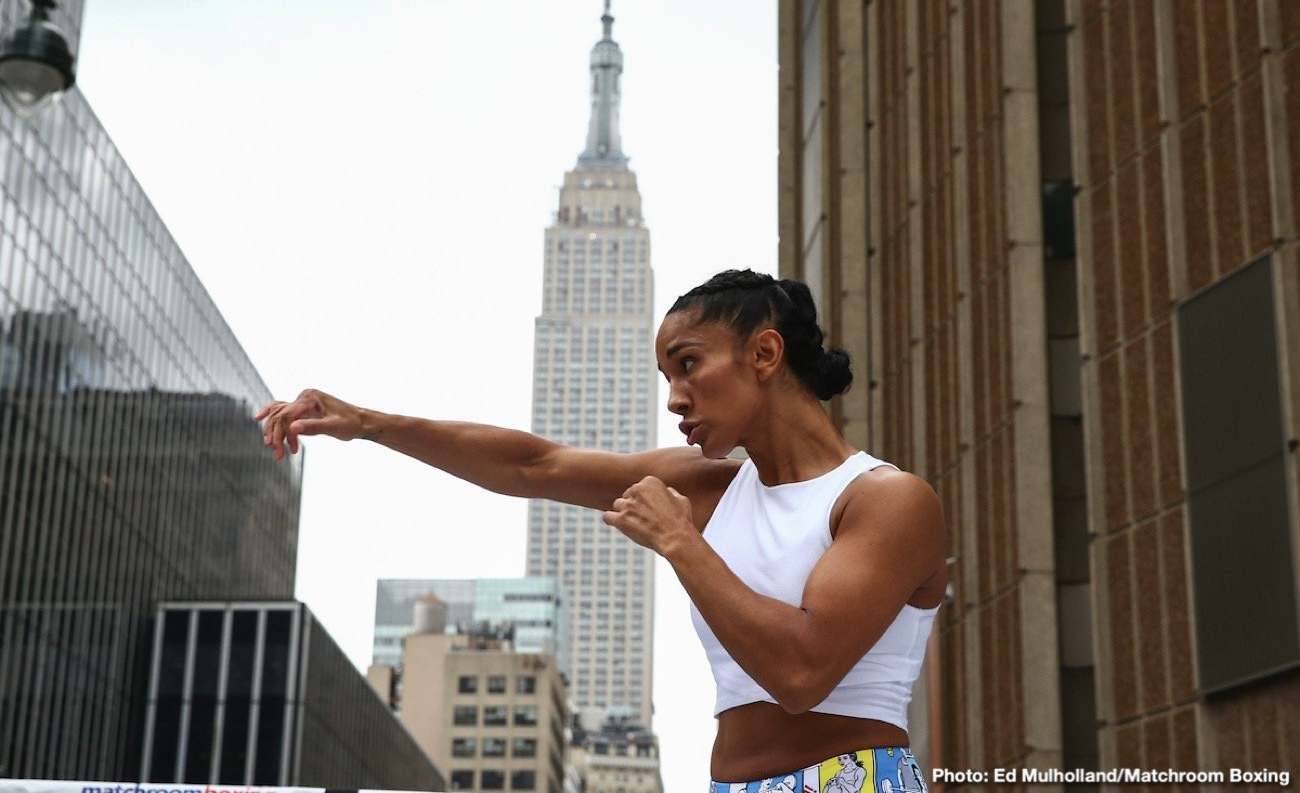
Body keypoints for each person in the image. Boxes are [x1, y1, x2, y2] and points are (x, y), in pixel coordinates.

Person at [257, 269, 946, 793]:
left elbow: (801, 673)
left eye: (687, 364)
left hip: (855, 778)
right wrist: (370, 424)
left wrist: (680, 543)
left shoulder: (886, 501)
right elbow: (535, 465)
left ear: (764, 354)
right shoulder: (712, 488)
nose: (674, 397)